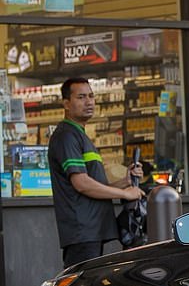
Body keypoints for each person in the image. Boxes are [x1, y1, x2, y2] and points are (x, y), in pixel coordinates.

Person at [48, 77, 145, 268]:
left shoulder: (80, 135)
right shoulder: (67, 135)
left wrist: (125, 181)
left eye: (91, 96)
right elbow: (81, 183)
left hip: (92, 232)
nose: (89, 102)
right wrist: (125, 193)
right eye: (81, 97)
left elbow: (95, 185)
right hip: (82, 234)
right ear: (66, 103)